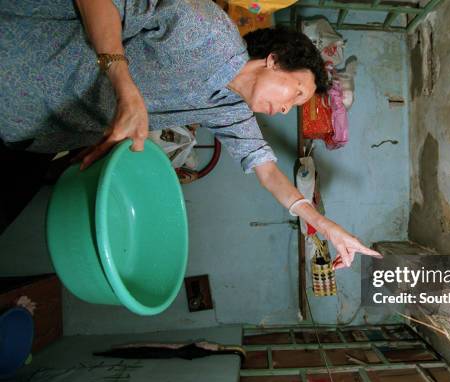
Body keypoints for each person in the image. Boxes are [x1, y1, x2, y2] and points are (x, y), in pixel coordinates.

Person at [0, 0, 382, 268]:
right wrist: (125, 86)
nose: (285, 109)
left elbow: (268, 172)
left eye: (292, 109)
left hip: (33, 136)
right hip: (17, 72)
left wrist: (325, 225)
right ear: (275, 61)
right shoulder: (204, 29)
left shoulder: (231, 111)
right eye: (295, 93)